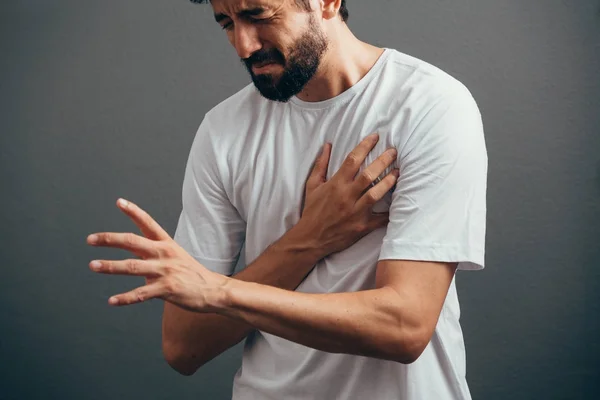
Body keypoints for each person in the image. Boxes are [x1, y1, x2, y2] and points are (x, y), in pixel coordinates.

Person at [86, 0, 487, 399]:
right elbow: (183, 346)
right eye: (226, 23)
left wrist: (220, 292)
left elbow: (405, 327)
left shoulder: (429, 105)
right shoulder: (223, 131)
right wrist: (308, 239)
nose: (243, 45)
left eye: (258, 15)